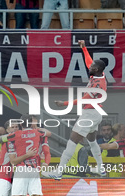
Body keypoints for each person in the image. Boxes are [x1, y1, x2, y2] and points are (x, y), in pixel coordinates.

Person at [43, 40, 107, 180]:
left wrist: (64, 103)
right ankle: (101, 169)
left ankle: (59, 172)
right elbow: (89, 62)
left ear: (96, 69)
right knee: (92, 141)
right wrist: (84, 48)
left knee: (71, 142)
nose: (89, 67)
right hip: (95, 114)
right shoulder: (99, 74)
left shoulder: (97, 84)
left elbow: (84, 99)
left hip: (89, 115)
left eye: (92, 67)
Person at [0, 116, 52, 196]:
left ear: (21, 124)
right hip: (34, 169)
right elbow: (49, 133)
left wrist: (7, 136)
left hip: (21, 169)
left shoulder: (16, 135)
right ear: (31, 123)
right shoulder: (38, 132)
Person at [15, 115, 51, 196]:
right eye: (34, 122)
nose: (35, 124)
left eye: (36, 122)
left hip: (28, 169)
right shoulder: (39, 133)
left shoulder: (39, 134)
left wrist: (46, 162)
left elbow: (46, 151)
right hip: (29, 169)